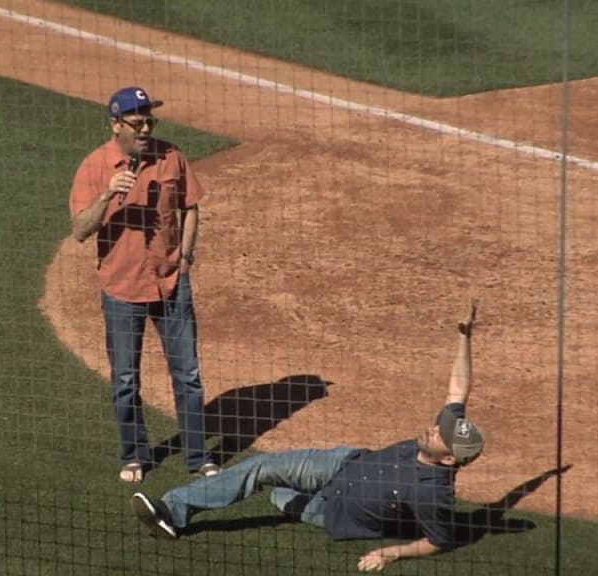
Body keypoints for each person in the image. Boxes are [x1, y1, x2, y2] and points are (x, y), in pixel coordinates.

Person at [131, 301, 486, 572]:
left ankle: (288, 498)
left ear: (450, 459)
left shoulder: (433, 493)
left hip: (336, 511)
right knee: (263, 467)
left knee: (280, 499)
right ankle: (172, 510)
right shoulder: (442, 439)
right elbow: (458, 390)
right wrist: (463, 337)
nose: (434, 427)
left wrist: (391, 552)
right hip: (342, 464)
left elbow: (440, 540)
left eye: (442, 434)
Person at [68, 86, 218, 483]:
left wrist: (184, 260)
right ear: (116, 124)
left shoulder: (172, 157)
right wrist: (108, 195)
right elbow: (80, 231)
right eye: (138, 122)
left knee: (187, 374)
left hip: (170, 285)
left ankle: (198, 456)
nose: (146, 128)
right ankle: (134, 454)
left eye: (150, 120)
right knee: (125, 379)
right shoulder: (96, 166)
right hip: (121, 290)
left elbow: (190, 208)